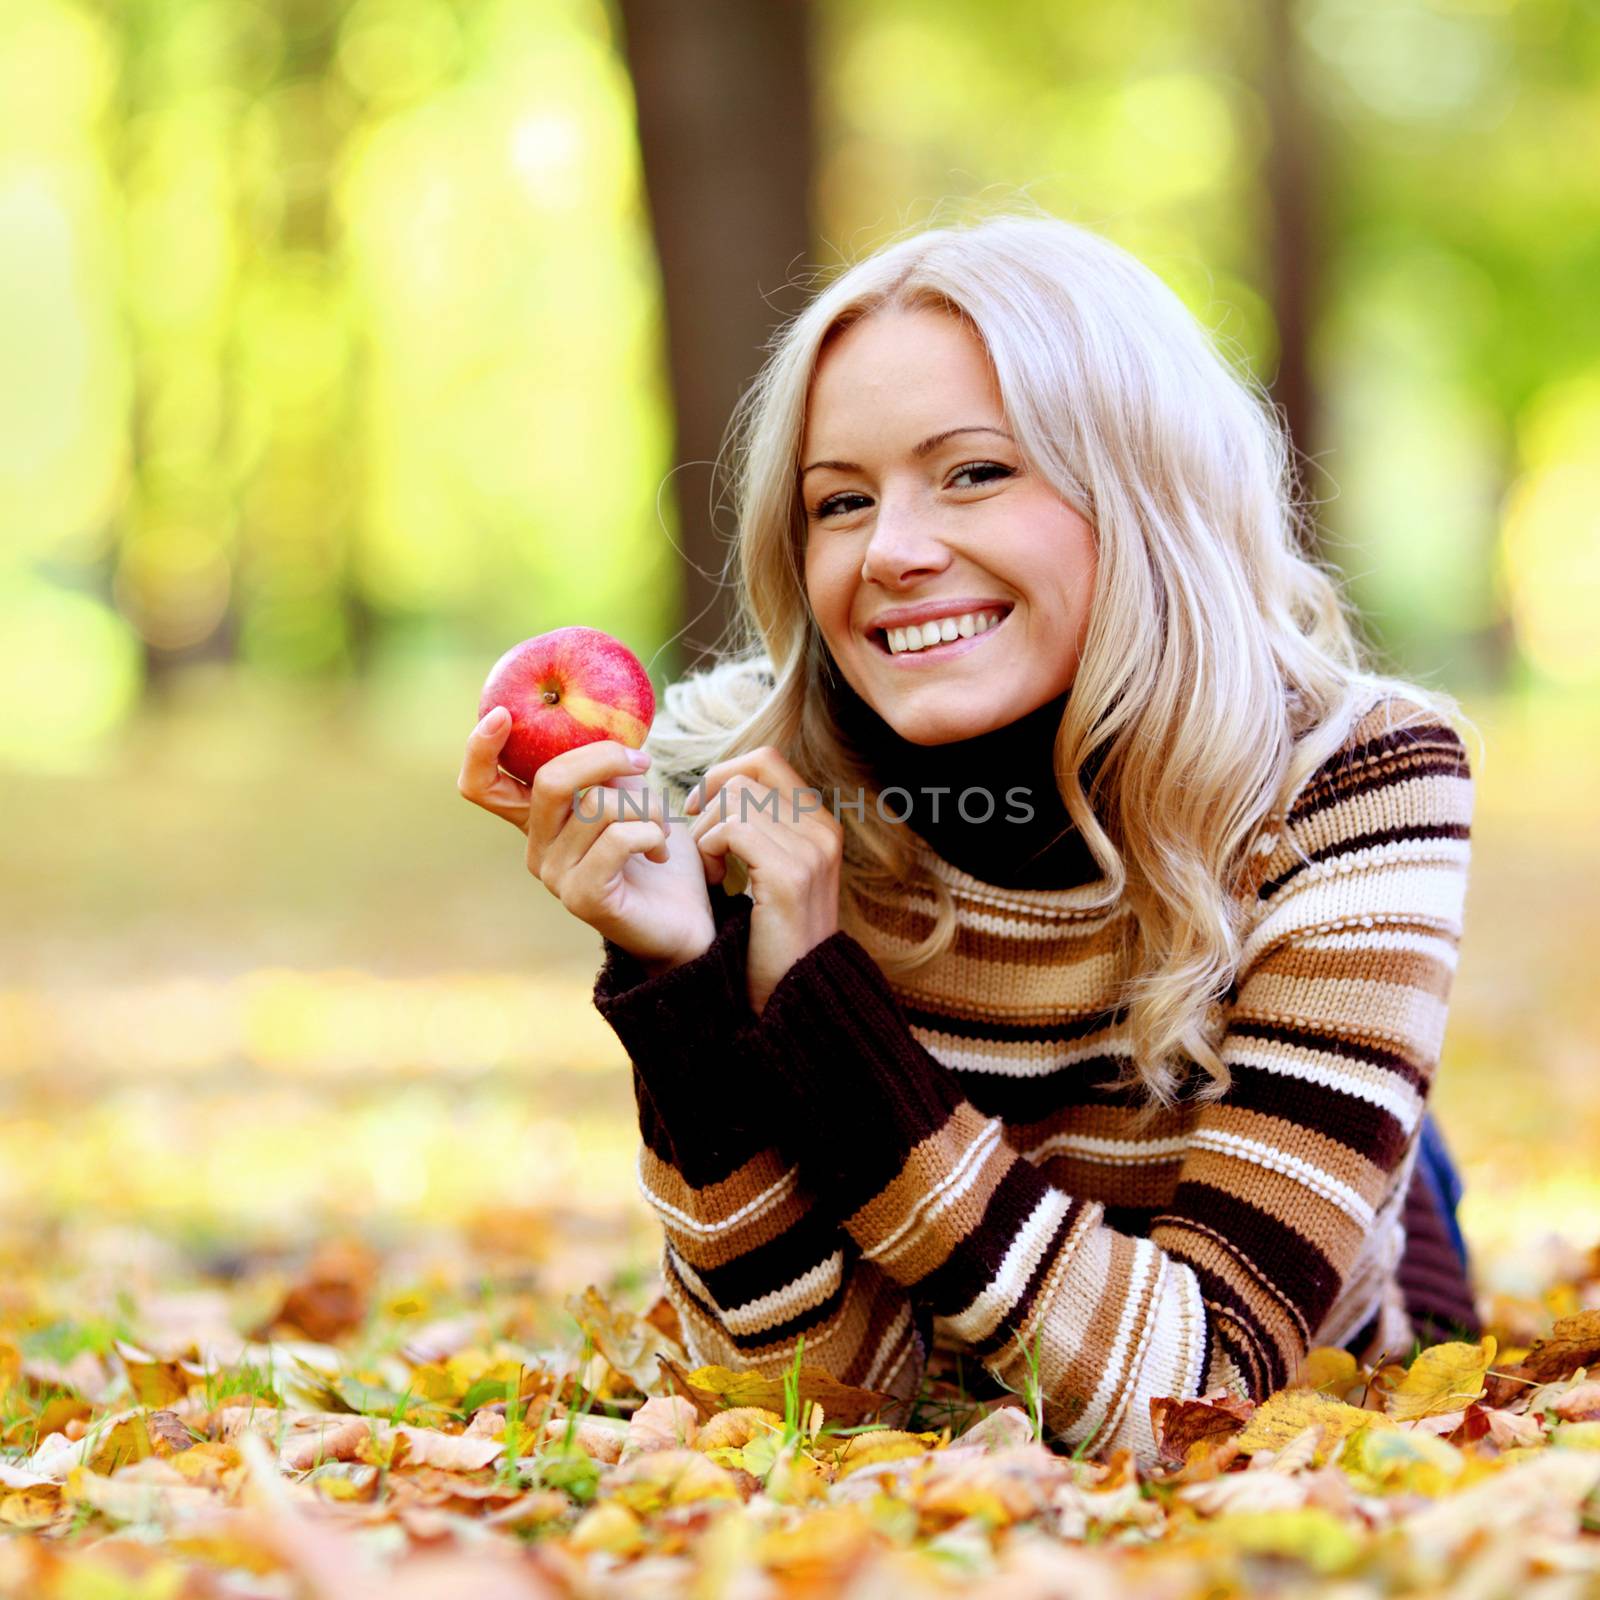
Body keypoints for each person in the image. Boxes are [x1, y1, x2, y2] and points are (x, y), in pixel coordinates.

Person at [457, 210, 1480, 1467]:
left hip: (1318, 1274)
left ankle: (1404, 1159)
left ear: (1141, 483)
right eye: (839, 501)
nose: (890, 552)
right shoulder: (747, 796)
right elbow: (814, 1396)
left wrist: (827, 1017)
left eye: (975, 472)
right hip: (1036, 1276)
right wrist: (689, 985)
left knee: (1362, 1169)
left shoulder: (1357, 773)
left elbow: (1199, 1396)